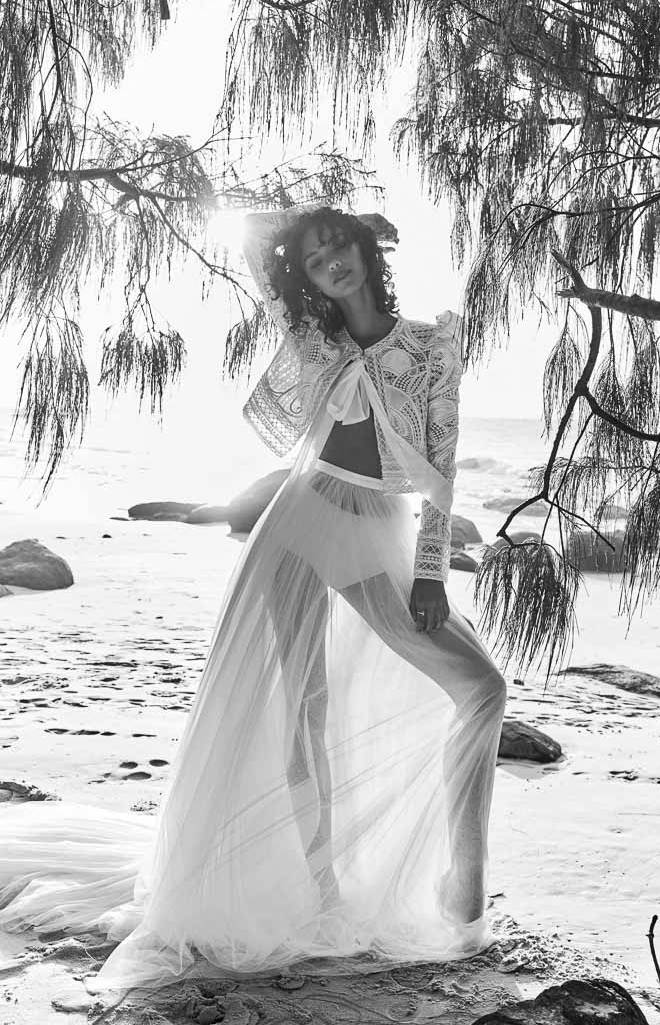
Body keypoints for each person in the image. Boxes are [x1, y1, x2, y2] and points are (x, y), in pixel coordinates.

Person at [0, 203, 507, 995]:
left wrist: (433, 572)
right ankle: (321, 885)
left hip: (378, 528)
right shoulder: (310, 337)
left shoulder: (432, 344)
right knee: (304, 707)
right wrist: (316, 226)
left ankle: (462, 886)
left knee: (482, 687)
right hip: (299, 522)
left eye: (340, 245)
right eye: (315, 258)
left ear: (367, 249)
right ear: (306, 279)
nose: (332, 262)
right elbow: (250, 234)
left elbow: (440, 469)